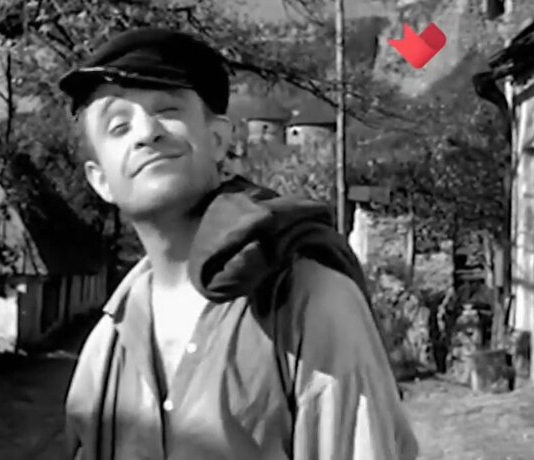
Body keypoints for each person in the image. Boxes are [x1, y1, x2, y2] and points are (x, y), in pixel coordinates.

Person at [57, 28, 419, 460]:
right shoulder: (104, 348)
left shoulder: (310, 301)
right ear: (100, 181)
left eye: (168, 110)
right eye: (119, 126)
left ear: (217, 141)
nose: (147, 132)